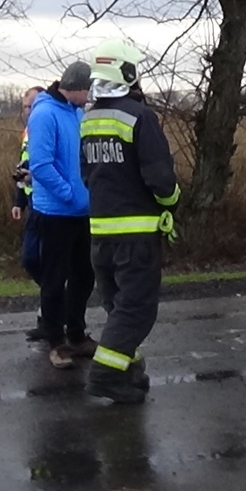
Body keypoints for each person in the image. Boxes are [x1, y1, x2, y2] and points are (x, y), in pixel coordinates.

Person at [80, 39, 179, 404]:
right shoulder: (140, 117)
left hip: (100, 233)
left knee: (119, 306)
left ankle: (129, 370)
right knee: (136, 310)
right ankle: (105, 377)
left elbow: (87, 173)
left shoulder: (90, 118)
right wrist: (172, 203)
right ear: (128, 73)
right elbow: (160, 179)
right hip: (136, 235)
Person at [27, 61, 97, 369]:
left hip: (83, 211)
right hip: (55, 212)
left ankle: (77, 333)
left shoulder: (77, 113)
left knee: (85, 275)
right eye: (89, 89)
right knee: (55, 279)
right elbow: (40, 165)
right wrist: (70, 194)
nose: (90, 95)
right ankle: (56, 341)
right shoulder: (44, 114)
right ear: (77, 87)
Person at [13, 85, 49, 342]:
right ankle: (55, 305)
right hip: (33, 203)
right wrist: (19, 201)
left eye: (32, 106)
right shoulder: (28, 132)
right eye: (25, 106)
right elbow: (24, 167)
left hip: (49, 206)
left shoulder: (47, 126)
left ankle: (49, 318)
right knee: (30, 260)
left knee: (49, 264)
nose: (28, 111)